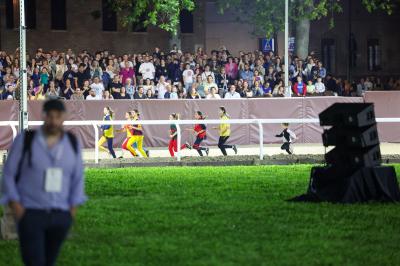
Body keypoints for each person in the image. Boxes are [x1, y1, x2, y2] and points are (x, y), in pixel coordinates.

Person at [0, 99, 86, 266]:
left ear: (64, 118)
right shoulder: (25, 141)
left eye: (58, 117)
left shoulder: (72, 143)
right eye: (50, 116)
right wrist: (17, 208)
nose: (54, 121)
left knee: (49, 261)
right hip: (31, 213)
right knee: (35, 261)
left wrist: (71, 211)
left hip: (61, 215)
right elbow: (9, 174)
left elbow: (78, 178)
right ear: (43, 116)